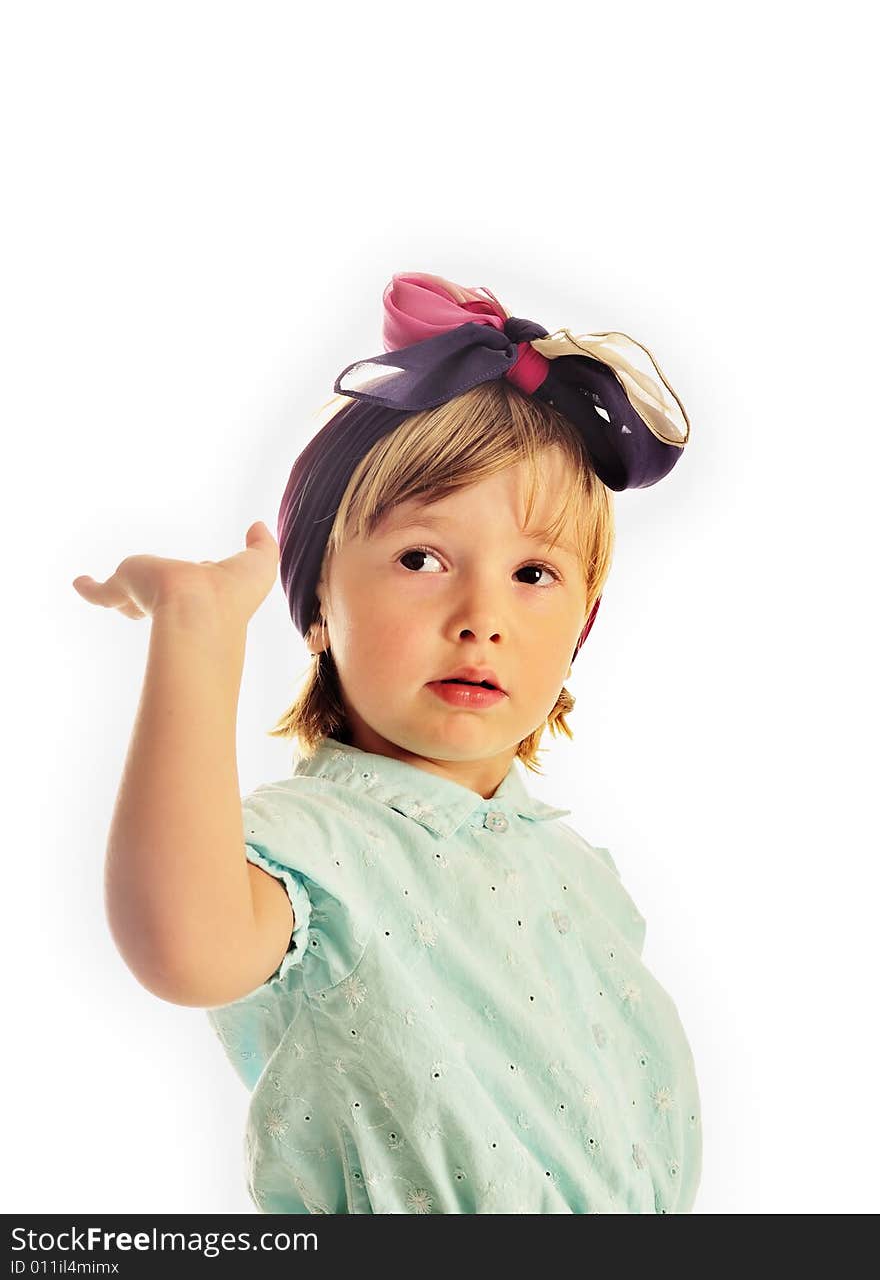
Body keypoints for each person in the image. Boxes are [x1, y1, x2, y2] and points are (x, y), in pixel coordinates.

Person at [74, 270, 702, 1214]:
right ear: (318, 600)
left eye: (535, 572)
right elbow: (185, 945)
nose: (481, 615)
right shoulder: (320, 850)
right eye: (421, 558)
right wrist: (200, 640)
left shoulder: (578, 871)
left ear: (581, 626)